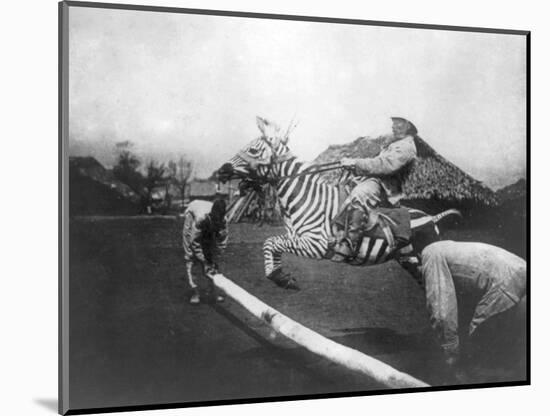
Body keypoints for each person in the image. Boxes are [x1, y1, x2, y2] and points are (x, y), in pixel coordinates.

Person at [418, 241, 526, 372]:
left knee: (478, 346)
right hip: (519, 269)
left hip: (506, 281)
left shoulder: (431, 255)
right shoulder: (444, 247)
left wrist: (450, 352)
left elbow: (442, 312)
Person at [331, 117, 418, 257]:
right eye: (393, 123)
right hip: (374, 180)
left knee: (359, 195)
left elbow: (384, 165)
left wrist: (355, 163)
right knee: (341, 187)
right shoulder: (396, 144)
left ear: (408, 125)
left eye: (397, 123)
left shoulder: (406, 146)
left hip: (384, 186)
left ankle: (350, 243)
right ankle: (338, 229)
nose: (393, 127)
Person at [182, 199, 228, 304]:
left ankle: (213, 291)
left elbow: (221, 244)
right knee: (190, 257)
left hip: (206, 222)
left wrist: (214, 261)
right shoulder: (200, 219)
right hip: (192, 214)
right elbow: (195, 243)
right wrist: (204, 261)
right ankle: (195, 292)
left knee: (213, 261)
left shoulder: (224, 221)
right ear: (211, 215)